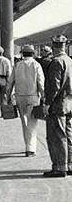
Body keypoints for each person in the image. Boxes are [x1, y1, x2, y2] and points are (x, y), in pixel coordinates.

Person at [6, 44, 44, 157]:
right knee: (32, 123)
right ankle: (30, 149)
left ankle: (28, 146)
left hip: (20, 97)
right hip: (33, 97)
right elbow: (41, 83)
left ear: (22, 54)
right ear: (33, 54)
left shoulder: (17, 65)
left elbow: (10, 82)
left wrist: (8, 96)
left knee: (24, 122)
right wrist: (44, 96)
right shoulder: (36, 65)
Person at [43, 35, 72, 177]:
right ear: (65, 46)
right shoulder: (70, 61)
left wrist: (47, 103)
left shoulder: (56, 62)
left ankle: (60, 168)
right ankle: (69, 165)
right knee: (69, 135)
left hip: (57, 105)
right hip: (69, 104)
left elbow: (53, 86)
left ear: (53, 46)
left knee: (56, 136)